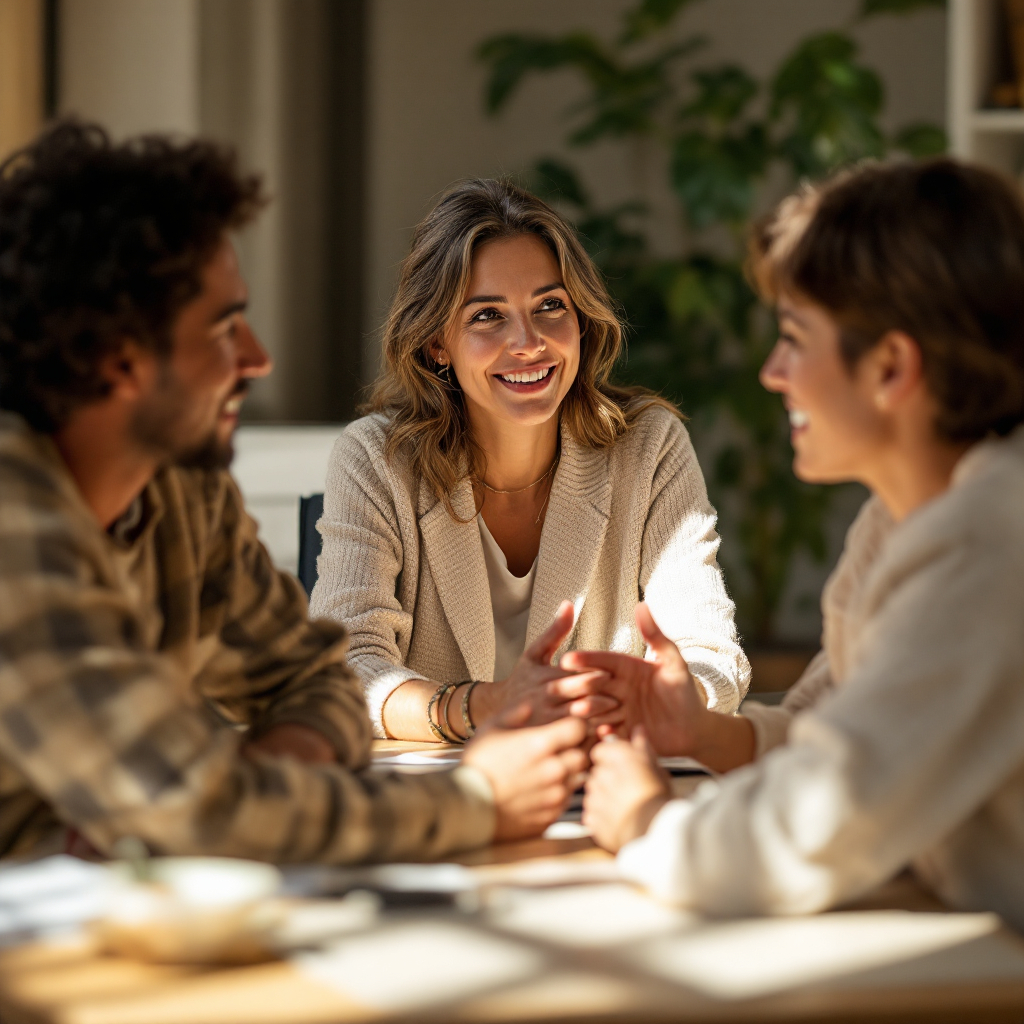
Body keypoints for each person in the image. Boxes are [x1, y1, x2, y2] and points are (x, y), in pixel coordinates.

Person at [0, 120, 588, 863]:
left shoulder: (183, 489)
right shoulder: (12, 515)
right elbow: (197, 810)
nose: (259, 359)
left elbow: (318, 683)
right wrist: (474, 801)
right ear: (117, 361)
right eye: (224, 329)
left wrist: (249, 800)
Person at [576, 158, 1024, 930]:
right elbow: (846, 728)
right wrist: (704, 733)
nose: (772, 373)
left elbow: (817, 823)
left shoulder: (988, 538)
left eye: (794, 338)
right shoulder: (905, 516)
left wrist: (649, 823)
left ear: (890, 367)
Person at [309, 179, 750, 742]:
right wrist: (474, 708)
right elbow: (346, 667)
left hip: (604, 788)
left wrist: (665, 698)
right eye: (487, 316)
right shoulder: (376, 460)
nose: (529, 342)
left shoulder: (649, 447)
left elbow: (711, 654)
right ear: (436, 343)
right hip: (441, 800)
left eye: (550, 306)